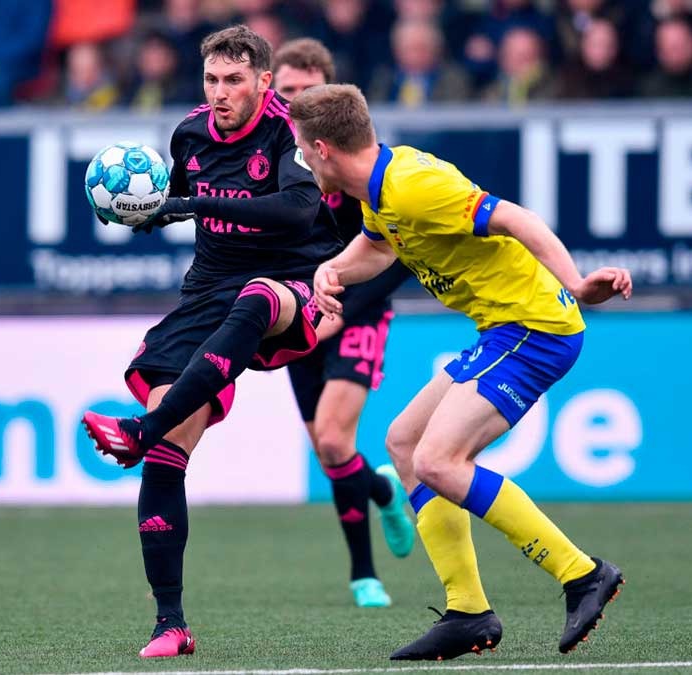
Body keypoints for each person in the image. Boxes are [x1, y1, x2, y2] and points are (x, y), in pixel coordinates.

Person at [289, 83, 631, 660]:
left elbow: (516, 218)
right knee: (404, 443)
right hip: (504, 329)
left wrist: (575, 282)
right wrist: (333, 270)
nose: (299, 160)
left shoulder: (415, 185)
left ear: (323, 149)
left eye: (301, 149)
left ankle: (582, 574)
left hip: (534, 328)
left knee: (437, 462)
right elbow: (378, 248)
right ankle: (469, 612)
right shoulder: (380, 188)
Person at [81, 25, 343, 658]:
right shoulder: (191, 133)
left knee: (257, 297)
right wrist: (144, 212)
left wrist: (191, 202)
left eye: (233, 81)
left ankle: (138, 434)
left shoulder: (291, 129)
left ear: (262, 81)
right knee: (169, 448)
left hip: (293, 281)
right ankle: (169, 623)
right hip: (207, 291)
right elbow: (174, 199)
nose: (220, 93)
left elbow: (296, 210)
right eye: (211, 80)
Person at [271, 37, 415, 609]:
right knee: (330, 454)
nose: (295, 101)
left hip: (354, 314)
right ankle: (381, 489)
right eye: (286, 92)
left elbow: (395, 254)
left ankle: (363, 575)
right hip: (298, 316)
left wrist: (338, 310)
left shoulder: (357, 168)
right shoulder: (270, 165)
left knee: (334, 437)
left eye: (307, 92)